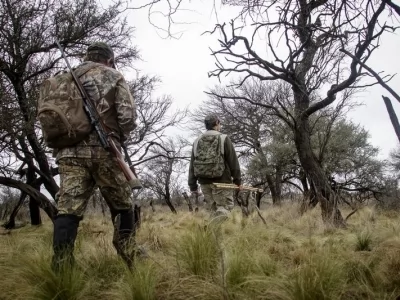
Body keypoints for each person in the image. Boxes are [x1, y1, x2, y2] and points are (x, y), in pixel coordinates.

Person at [51, 42, 139, 271]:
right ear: (109, 59)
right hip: (105, 151)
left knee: (68, 209)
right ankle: (129, 254)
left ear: (87, 56)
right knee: (123, 205)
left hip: (68, 154)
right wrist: (117, 137)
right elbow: (127, 118)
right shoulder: (113, 75)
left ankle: (61, 268)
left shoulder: (63, 78)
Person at [188, 114, 242, 221]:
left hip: (204, 183)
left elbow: (192, 165)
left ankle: (211, 235)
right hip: (222, 182)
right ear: (217, 123)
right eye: (220, 123)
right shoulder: (224, 138)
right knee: (225, 209)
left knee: (213, 211)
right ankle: (211, 229)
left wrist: (192, 186)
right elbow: (233, 162)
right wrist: (238, 182)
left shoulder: (197, 141)